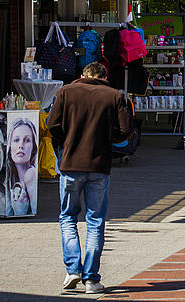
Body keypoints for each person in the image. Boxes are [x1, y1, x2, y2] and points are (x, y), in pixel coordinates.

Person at [47, 61, 134, 294]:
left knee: (68, 216)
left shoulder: (65, 92)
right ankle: (91, 279)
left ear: (83, 75)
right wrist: (107, 139)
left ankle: (73, 269)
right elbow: (126, 130)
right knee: (95, 221)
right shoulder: (114, 96)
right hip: (99, 165)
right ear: (104, 77)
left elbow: (52, 124)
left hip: (70, 163)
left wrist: (67, 141)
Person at [7, 117, 39, 217]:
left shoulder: (31, 174)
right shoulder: (9, 178)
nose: (21, 145)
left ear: (33, 147)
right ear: (9, 145)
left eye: (27, 140)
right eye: (16, 140)